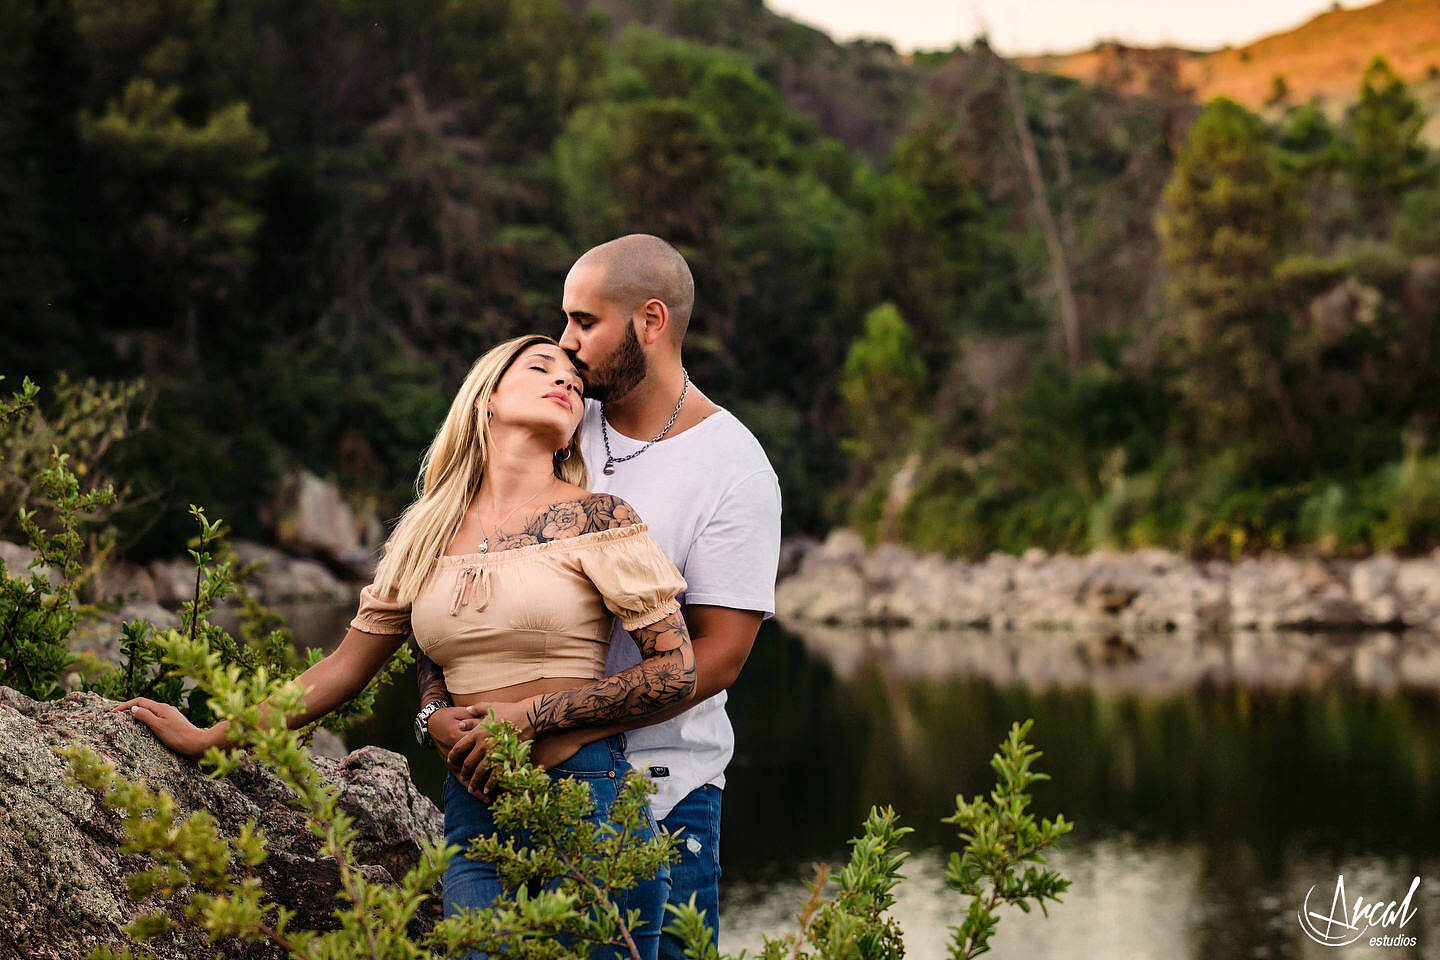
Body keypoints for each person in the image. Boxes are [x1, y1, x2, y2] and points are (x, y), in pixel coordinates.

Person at [108, 333, 697, 960]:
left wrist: (529, 718)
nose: (568, 383)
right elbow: (339, 671)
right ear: (486, 399)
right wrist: (208, 737)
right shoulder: (424, 533)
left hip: (589, 801)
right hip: (476, 812)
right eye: (541, 368)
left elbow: (676, 670)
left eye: (577, 384)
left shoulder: (600, 518)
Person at [423, 234, 783, 958]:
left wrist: (557, 721)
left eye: (584, 322)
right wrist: (434, 708)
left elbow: (720, 656)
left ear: (650, 322)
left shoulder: (734, 469)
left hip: (666, 793)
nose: (566, 343)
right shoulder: (555, 417)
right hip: (506, 785)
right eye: (564, 321)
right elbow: (451, 580)